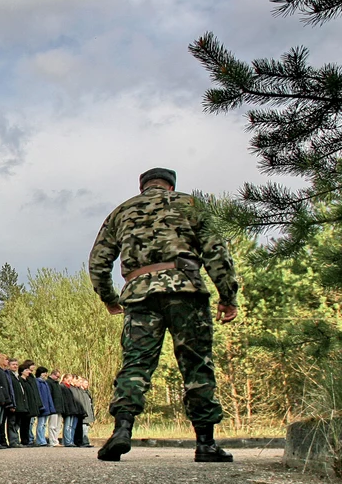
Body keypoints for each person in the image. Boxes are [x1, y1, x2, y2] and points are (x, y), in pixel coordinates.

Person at [89, 167, 238, 462]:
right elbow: (215, 251)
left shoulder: (121, 212)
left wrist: (109, 297)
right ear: (170, 187)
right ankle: (206, 443)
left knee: (136, 365)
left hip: (140, 295)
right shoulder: (189, 204)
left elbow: (98, 261)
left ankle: (121, 430)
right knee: (197, 365)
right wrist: (227, 296)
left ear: (143, 186)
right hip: (186, 291)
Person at [17, 360, 42, 446]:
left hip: (30, 405)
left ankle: (27, 440)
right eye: (26, 370)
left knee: (27, 424)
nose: (29, 372)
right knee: (23, 424)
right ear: (22, 372)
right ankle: (24, 440)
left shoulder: (28, 381)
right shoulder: (20, 380)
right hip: (24, 405)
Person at [35, 367, 57, 446]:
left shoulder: (45, 383)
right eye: (44, 372)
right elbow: (39, 395)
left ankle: (42, 439)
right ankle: (40, 440)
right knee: (40, 424)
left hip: (47, 406)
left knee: (44, 424)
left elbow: (48, 396)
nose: (45, 374)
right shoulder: (38, 382)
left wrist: (51, 407)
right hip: (42, 406)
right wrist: (40, 405)